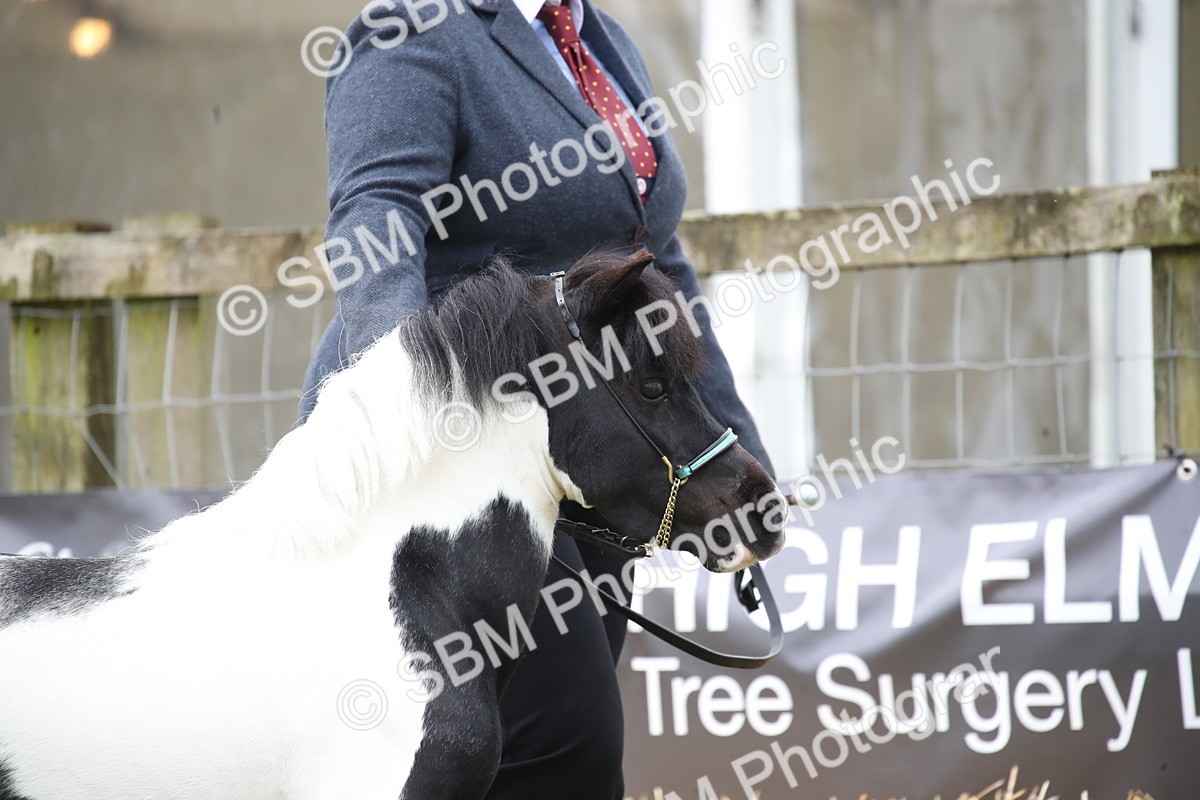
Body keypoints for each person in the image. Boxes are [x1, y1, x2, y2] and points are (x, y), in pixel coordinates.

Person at [298, 1, 776, 797]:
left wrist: (731, 450)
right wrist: (406, 405)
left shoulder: (596, 34)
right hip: (465, 450)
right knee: (567, 743)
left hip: (605, 453)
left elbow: (655, 260)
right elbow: (376, 218)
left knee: (536, 755)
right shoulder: (413, 30)